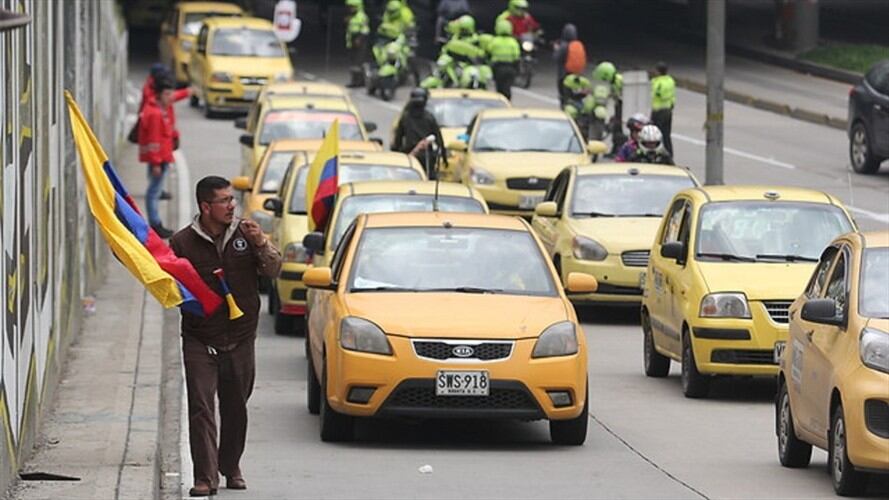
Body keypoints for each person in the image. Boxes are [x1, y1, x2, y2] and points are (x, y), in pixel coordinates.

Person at [170, 176, 282, 497]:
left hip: (241, 338)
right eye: (225, 201)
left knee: (236, 406)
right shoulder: (182, 243)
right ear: (206, 207)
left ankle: (230, 465)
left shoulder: (246, 235)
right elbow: (160, 272)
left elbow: (274, 270)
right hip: (199, 337)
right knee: (201, 407)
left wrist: (261, 242)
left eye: (233, 200)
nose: (232, 206)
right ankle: (205, 477)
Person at [138, 75, 177, 238]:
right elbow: (154, 139)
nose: (171, 97)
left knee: (154, 190)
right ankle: (155, 224)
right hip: (159, 159)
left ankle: (155, 223)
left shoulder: (161, 109)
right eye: (167, 94)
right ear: (160, 95)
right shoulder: (155, 113)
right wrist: (155, 163)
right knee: (153, 192)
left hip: (163, 157)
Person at [392, 88, 446, 177]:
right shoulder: (428, 117)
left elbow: (398, 138)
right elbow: (439, 139)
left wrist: (396, 153)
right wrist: (443, 157)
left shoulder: (406, 117)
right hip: (423, 156)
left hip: (412, 156)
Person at [592, 61, 625, 152]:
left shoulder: (619, 81)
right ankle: (616, 148)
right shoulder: (616, 80)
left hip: (622, 107)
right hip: (619, 106)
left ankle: (618, 148)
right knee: (616, 127)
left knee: (618, 128)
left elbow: (619, 94)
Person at [487, 19, 520, 100]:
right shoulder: (513, 42)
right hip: (510, 68)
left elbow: (488, 51)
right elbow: (516, 56)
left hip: (498, 68)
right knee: (507, 87)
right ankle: (507, 102)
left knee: (499, 87)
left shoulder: (494, 41)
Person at [553, 23, 583, 105]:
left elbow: (556, 58)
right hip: (577, 75)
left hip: (564, 74)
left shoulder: (564, 46)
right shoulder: (578, 45)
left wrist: (556, 49)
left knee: (564, 95)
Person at [650, 61, 676, 155]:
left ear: (658, 72)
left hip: (658, 111)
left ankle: (657, 153)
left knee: (655, 135)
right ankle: (669, 153)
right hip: (668, 110)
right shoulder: (670, 81)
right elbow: (673, 95)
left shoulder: (658, 83)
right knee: (666, 134)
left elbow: (658, 94)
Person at [345, 0, 370, 88]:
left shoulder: (362, 16)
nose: (351, 8)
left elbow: (365, 30)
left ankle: (357, 82)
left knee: (357, 63)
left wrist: (359, 39)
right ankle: (359, 81)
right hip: (352, 41)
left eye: (353, 7)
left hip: (359, 40)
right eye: (350, 7)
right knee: (354, 63)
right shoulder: (352, 17)